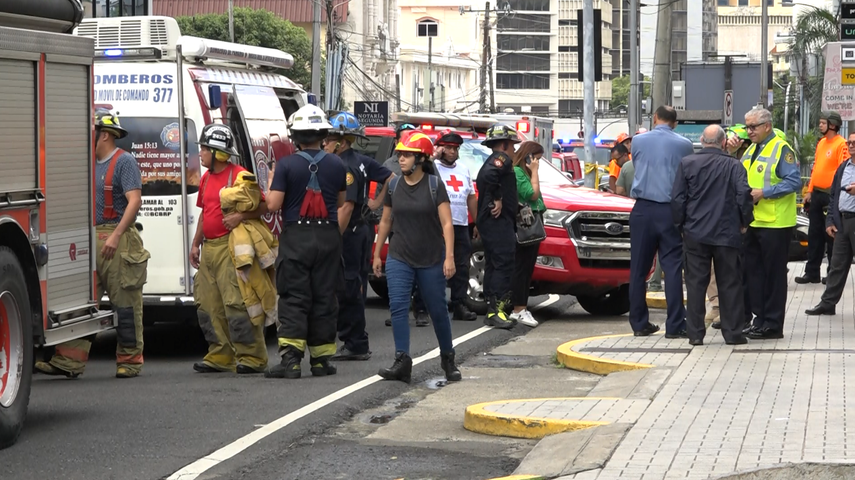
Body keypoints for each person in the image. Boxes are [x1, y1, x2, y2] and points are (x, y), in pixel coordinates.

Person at [36, 111, 149, 379]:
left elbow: (135, 201)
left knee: (125, 301)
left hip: (117, 239)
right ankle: (69, 361)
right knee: (80, 303)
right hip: (89, 239)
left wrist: (116, 234)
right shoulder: (88, 165)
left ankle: (129, 360)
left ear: (105, 135)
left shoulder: (125, 163)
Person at [373, 131, 461, 383]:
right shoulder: (394, 185)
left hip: (432, 258)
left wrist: (450, 257)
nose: (401, 159)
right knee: (398, 308)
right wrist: (378, 253)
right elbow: (386, 220)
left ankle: (448, 358)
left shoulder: (435, 186)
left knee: (437, 310)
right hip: (399, 256)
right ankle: (402, 360)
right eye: (399, 154)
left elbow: (447, 224)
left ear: (420, 159)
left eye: (407, 155)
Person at [265, 105, 347, 379]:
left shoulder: (286, 164)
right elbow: (342, 202)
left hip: (296, 237)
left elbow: (273, 204)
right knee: (325, 295)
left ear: (296, 136)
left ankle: (291, 361)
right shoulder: (337, 164)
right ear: (323, 134)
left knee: (294, 296)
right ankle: (322, 361)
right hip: (328, 237)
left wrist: (269, 184)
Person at [187, 124, 270, 374]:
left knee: (237, 303)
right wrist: (195, 243)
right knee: (207, 303)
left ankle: (252, 357)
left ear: (218, 153)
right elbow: (205, 213)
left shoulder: (240, 176)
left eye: (204, 148)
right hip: (210, 249)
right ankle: (220, 354)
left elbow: (265, 206)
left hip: (230, 248)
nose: (200, 153)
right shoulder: (206, 178)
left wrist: (240, 217)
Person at [672, 125, 753, 346]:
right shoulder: (734, 166)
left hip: (695, 233)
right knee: (730, 283)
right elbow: (743, 196)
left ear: (701, 140)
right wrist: (745, 222)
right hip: (727, 233)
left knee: (696, 284)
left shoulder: (687, 163)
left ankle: (695, 334)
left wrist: (681, 226)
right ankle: (733, 333)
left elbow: (678, 199)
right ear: (724, 142)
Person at [324, 112, 394, 361]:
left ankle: (355, 342)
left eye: (329, 138)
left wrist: (333, 238)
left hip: (351, 232)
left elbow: (347, 206)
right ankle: (355, 339)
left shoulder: (345, 166)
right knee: (355, 285)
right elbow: (390, 177)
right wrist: (375, 202)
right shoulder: (362, 160)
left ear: (341, 141)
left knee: (349, 287)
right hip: (362, 230)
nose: (325, 143)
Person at [729, 108, 799, 340]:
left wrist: (765, 193)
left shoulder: (781, 148)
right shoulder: (750, 149)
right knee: (754, 275)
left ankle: (773, 325)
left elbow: (794, 181)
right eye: (747, 127)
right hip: (755, 222)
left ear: (767, 126)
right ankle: (759, 320)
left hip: (776, 224)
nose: (749, 131)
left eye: (753, 127)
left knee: (774, 277)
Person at [628, 105, 694, 338]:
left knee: (638, 269)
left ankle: (639, 324)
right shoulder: (684, 144)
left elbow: (638, 166)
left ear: (655, 118)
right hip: (671, 211)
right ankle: (675, 324)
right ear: (675, 123)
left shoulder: (638, 141)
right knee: (673, 267)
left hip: (643, 209)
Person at [381, 123, 430, 327]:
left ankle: (421, 310)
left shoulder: (428, 168)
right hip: (398, 229)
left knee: (422, 274)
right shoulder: (388, 166)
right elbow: (383, 200)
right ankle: (398, 311)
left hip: (422, 230)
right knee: (399, 275)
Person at [796, 111, 849, 285]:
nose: (820, 126)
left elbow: (843, 170)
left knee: (831, 236)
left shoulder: (842, 144)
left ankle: (831, 274)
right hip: (817, 194)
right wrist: (809, 191)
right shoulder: (821, 144)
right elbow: (815, 168)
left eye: (823, 123)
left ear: (832, 125)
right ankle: (812, 272)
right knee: (814, 235)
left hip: (830, 196)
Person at [476, 124, 521, 329]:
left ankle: (493, 308)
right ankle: (497, 311)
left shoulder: (499, 161)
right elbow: (486, 177)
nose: (514, 150)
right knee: (503, 263)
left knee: (495, 264)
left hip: (496, 221)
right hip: (497, 221)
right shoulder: (501, 159)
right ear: (504, 144)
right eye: (512, 145)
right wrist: (498, 198)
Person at [805, 133, 855, 316]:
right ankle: (827, 303)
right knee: (837, 265)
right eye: (849, 143)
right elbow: (834, 195)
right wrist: (830, 220)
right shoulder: (844, 167)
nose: (851, 146)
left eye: (854, 143)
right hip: (842, 222)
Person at [432, 129, 479, 321]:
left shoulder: (463, 169)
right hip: (437, 225)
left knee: (461, 266)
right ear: (441, 148)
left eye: (455, 148)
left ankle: (459, 304)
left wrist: (476, 222)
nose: (452, 152)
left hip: (460, 224)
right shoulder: (432, 167)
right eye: (448, 148)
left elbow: (471, 197)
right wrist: (434, 154)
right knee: (434, 266)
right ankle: (432, 305)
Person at [509, 141, 546, 328]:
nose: (538, 163)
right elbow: (532, 194)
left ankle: (521, 306)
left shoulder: (526, 173)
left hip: (534, 222)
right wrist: (535, 172)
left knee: (528, 267)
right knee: (521, 267)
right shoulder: (518, 173)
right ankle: (518, 308)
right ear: (528, 157)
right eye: (536, 159)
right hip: (525, 224)